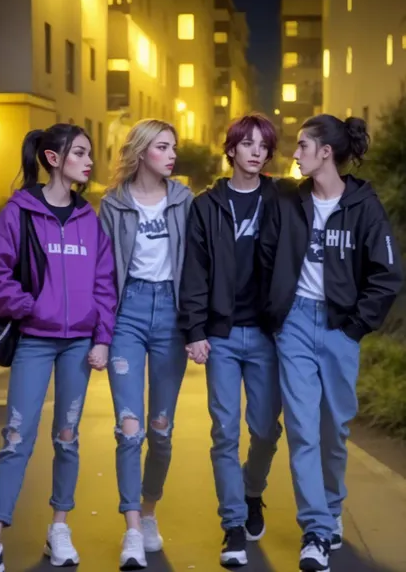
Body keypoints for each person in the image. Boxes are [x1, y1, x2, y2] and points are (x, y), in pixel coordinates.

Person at [0, 124, 117, 572]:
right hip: (34, 341)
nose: (89, 161)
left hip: (78, 346)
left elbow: (105, 286)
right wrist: (27, 306)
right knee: (15, 439)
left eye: (89, 153)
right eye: (80, 153)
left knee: (67, 437)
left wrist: (102, 338)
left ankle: (59, 529)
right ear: (52, 158)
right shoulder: (20, 213)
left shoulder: (90, 219)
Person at [259, 115, 403, 572]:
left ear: (326, 153)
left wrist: (356, 326)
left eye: (303, 145)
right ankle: (316, 530)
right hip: (296, 322)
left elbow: (387, 274)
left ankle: (332, 507)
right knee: (302, 428)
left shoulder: (364, 206)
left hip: (341, 327)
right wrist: (276, 310)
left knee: (334, 429)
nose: (294, 152)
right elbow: (264, 254)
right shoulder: (288, 199)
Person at [179, 114, 283, 567]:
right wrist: (195, 330)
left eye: (263, 145)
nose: (256, 151)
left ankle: (252, 490)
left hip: (265, 334)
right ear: (232, 149)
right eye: (248, 144)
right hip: (220, 335)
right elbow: (194, 272)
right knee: (224, 431)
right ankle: (233, 526)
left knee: (264, 429)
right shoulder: (208, 206)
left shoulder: (281, 200)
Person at [99, 118, 192, 570]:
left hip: (172, 316)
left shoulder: (185, 201)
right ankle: (133, 529)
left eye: (173, 147)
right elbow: (101, 275)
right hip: (128, 314)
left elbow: (197, 268)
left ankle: (150, 509)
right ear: (140, 152)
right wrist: (99, 334)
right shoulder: (113, 205)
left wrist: (198, 328)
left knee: (161, 430)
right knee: (129, 427)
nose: (171, 154)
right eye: (162, 146)